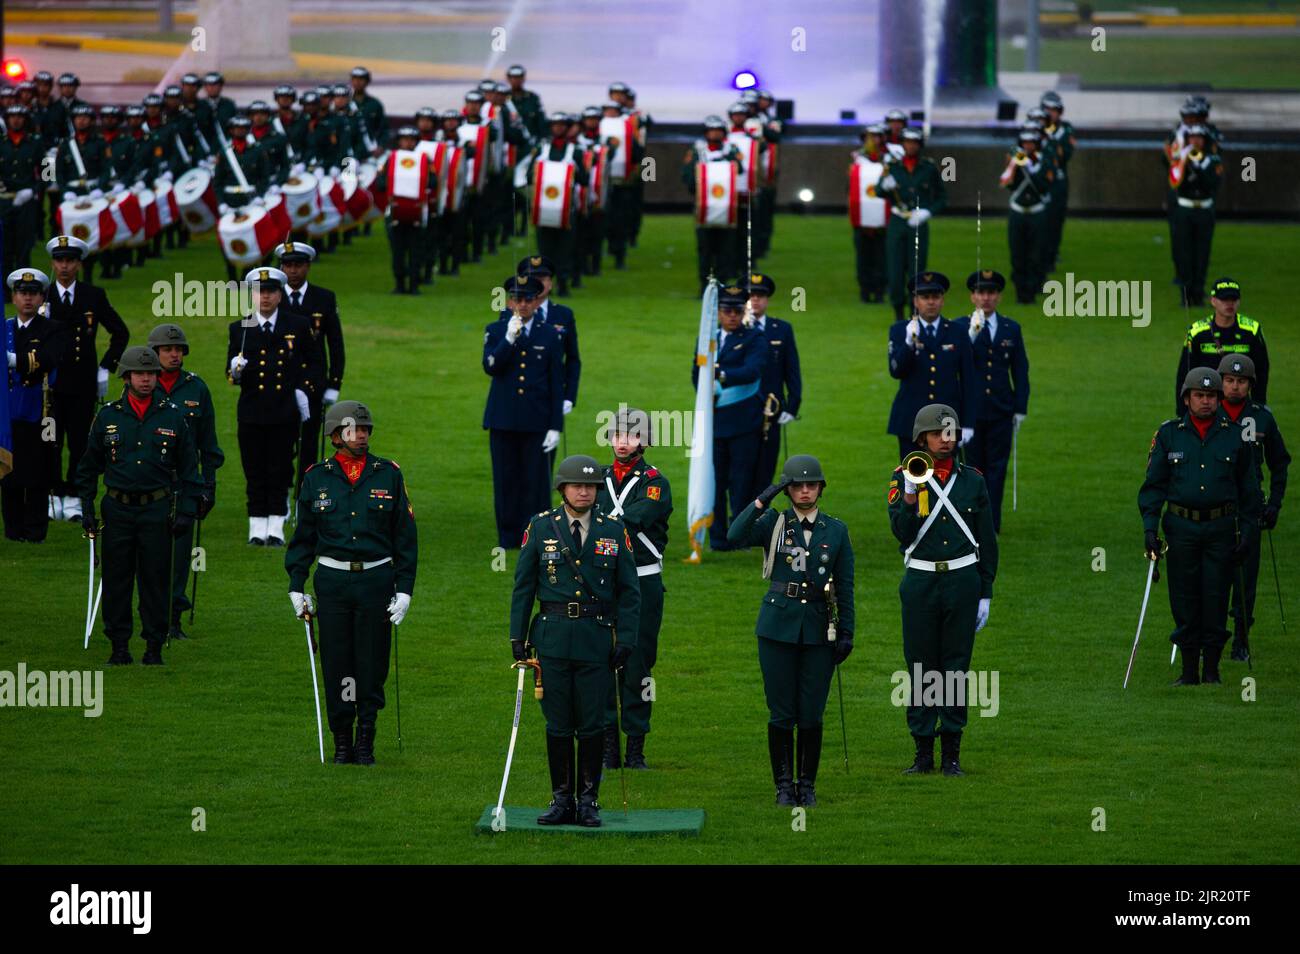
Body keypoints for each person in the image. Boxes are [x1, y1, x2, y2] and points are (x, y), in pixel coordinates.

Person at [509, 454, 641, 827]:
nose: (584, 492)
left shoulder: (614, 531)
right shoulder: (540, 527)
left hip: (595, 640)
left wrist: (626, 639)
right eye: (577, 486)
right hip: (551, 639)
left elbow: (630, 592)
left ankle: (588, 802)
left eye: (590, 486)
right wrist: (518, 637)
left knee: (593, 724)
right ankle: (561, 799)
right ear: (562, 489)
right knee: (558, 724)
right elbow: (524, 588)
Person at [286, 400, 417, 765]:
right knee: (338, 662)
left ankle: (366, 737)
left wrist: (404, 590)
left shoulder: (388, 474)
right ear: (334, 436)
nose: (361, 436)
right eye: (353, 430)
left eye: (365, 429)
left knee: (372, 663)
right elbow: (304, 537)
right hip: (333, 584)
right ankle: (342, 737)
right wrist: (297, 584)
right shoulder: (316, 477)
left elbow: (405, 538)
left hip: (376, 580)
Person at [726, 455, 854, 805]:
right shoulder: (774, 522)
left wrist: (847, 632)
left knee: (811, 711)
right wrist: (764, 497)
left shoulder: (836, 530)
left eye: (811, 484)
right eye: (797, 485)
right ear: (788, 489)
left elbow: (845, 586)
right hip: (777, 627)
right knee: (781, 710)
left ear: (821, 489)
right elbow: (733, 535)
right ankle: (783, 785)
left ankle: (807, 786)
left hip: (818, 629)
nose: (805, 490)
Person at [77, 346, 203, 665]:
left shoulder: (173, 415)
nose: (146, 379)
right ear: (127, 377)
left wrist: (187, 511)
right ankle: (119, 645)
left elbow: (190, 468)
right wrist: (87, 509)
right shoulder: (107, 416)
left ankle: (154, 645)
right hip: (117, 508)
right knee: (117, 578)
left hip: (156, 509)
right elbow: (88, 467)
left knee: (155, 579)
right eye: (140, 374)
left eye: (150, 374)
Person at [889, 404, 998, 775]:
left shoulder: (973, 480)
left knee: (955, 667)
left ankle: (951, 751)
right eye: (937, 434)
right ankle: (922, 753)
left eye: (950, 433)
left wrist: (986, 591)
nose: (945, 440)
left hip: (962, 581)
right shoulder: (904, 477)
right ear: (922, 438)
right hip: (920, 582)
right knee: (920, 667)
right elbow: (902, 534)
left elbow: (987, 539)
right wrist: (908, 493)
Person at [1140, 368, 1260, 686]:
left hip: (1222, 528)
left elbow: (1249, 491)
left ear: (1218, 399)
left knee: (1216, 596)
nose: (1205, 401)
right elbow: (1153, 488)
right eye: (1199, 395)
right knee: (1184, 598)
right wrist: (1150, 530)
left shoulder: (1235, 436)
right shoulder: (1169, 435)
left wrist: (1249, 532)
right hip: (1181, 528)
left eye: (1211, 396)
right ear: (1186, 398)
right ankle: (1189, 668)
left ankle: (1212, 669)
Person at [596, 407, 672, 771]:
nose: (622, 441)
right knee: (603, 660)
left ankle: (636, 746)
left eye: (631, 434)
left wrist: (600, 522)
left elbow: (636, 517)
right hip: (604, 580)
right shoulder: (597, 478)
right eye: (617, 435)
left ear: (644, 440)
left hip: (642, 579)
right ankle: (609, 744)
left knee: (639, 662)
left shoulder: (655, 481)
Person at [226, 267, 321, 547]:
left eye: (270, 292)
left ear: (280, 295)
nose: (264, 297)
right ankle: (256, 525)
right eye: (259, 292)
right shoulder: (240, 328)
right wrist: (235, 370)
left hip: (283, 410)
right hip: (252, 411)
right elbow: (231, 375)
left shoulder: (298, 325)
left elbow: (314, 362)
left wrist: (304, 390)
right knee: (254, 469)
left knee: (279, 468)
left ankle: (276, 526)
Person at [45, 235, 130, 522]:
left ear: (79, 264)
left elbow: (120, 332)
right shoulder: (41, 295)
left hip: (82, 383)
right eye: (60, 260)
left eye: (70, 261)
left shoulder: (92, 295)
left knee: (80, 443)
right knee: (51, 440)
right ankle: (53, 494)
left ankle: (74, 497)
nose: (64, 266)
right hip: (50, 385)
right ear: (53, 263)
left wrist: (106, 367)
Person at [149, 323, 223, 640]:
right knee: (149, 553)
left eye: (178, 349)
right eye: (168, 349)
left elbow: (209, 442)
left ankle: (173, 617)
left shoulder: (197, 388)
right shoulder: (141, 385)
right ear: (155, 353)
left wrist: (209, 484)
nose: (174, 354)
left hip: (185, 484)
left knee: (181, 556)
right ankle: (150, 614)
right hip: (148, 484)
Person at [482, 275, 564, 548]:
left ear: (536, 301)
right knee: (506, 481)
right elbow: (491, 366)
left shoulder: (549, 333)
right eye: (517, 299)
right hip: (503, 419)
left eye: (529, 299)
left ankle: (536, 535)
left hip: (536, 420)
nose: (523, 304)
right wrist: (508, 338)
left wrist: (555, 426)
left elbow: (555, 382)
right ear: (509, 300)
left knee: (536, 483)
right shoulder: (496, 330)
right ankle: (507, 536)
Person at [1217, 355, 1289, 662]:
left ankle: (1242, 637)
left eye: (1241, 381)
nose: (1235, 386)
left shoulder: (1262, 418)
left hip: (1249, 508)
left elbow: (1280, 462)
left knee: (1246, 576)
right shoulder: (1208, 414)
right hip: (1216, 505)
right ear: (1221, 382)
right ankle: (1212, 637)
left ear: (1251, 385)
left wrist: (1274, 503)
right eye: (1230, 381)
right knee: (1215, 574)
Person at [692, 284, 768, 550]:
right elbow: (697, 375)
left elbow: (753, 370)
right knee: (715, 480)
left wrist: (721, 375)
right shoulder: (708, 339)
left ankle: (741, 534)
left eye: (737, 310)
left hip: (743, 422)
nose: (732, 315)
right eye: (726, 310)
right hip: (714, 423)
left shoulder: (754, 338)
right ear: (719, 312)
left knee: (741, 481)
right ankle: (717, 537)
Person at [953, 270, 1029, 532]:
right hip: (971, 412)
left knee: (997, 470)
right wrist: (970, 337)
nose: (986, 298)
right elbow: (954, 365)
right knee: (972, 469)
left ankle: (992, 523)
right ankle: (971, 522)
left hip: (1000, 409)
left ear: (999, 296)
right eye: (981, 292)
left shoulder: (1011, 328)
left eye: (991, 292)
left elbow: (1020, 370)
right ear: (972, 296)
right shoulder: (960, 327)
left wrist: (1020, 407)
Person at [886, 271, 978, 461]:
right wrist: (908, 344)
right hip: (911, 420)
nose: (930, 302)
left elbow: (968, 380)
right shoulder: (899, 330)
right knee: (913, 481)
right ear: (915, 301)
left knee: (946, 482)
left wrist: (968, 423)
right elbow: (896, 371)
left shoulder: (958, 332)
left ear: (942, 300)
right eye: (925, 297)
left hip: (947, 421)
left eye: (935, 297)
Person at [3, 269, 66, 542]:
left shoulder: (51, 328)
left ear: (42, 297)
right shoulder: (5, 327)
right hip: (8, 408)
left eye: (33, 294)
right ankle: (13, 529)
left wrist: (15, 360)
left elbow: (49, 358)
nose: (27, 299)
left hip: (39, 409)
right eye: (22, 293)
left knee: (38, 471)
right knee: (9, 471)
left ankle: (36, 529)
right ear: (14, 297)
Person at [279, 241, 345, 478]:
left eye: (298, 265)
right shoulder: (272, 298)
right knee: (281, 443)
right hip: (281, 382)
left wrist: (333, 384)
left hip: (313, 383)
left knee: (309, 444)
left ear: (308, 266)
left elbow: (335, 343)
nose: (293, 271)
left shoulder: (323, 298)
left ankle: (305, 495)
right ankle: (282, 496)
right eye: (288, 265)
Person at [877, 128, 946, 320]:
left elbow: (942, 197)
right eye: (907, 142)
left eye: (914, 142)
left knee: (917, 269)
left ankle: (915, 311)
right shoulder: (893, 166)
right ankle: (898, 310)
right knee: (895, 269)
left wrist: (927, 212)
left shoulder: (928, 167)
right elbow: (879, 191)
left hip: (918, 223)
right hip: (898, 221)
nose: (910, 146)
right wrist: (884, 185)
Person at [744, 272, 802, 497]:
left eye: (760, 295)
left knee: (765, 470)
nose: (755, 300)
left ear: (767, 299)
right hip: (741, 411)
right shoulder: (735, 329)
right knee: (741, 472)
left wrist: (792, 405)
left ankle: (761, 521)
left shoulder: (781, 329)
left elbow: (792, 370)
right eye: (750, 295)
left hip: (772, 411)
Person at [1175, 278, 1268, 415]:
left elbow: (1262, 370)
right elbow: (1184, 374)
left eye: (1234, 299)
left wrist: (1259, 404)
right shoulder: (1197, 332)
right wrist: (1182, 412)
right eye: (1224, 299)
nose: (1229, 304)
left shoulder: (1252, 330)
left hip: (1240, 404)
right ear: (1213, 301)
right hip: (1207, 403)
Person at [513, 255, 579, 421]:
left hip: (551, 395)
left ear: (551, 284)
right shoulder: (510, 315)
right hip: (516, 397)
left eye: (543, 279)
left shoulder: (564, 315)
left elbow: (572, 359)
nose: (538, 283)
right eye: (532, 279)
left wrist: (569, 396)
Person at [681, 116, 742, 295]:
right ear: (706, 133)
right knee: (705, 250)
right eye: (711, 130)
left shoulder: (731, 150)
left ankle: (722, 285)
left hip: (727, 209)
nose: (715, 134)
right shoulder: (697, 151)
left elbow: (740, 169)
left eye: (718, 130)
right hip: (704, 210)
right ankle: (705, 287)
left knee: (726, 250)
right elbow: (687, 177)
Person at [999, 126, 1054, 304]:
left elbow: (1045, 186)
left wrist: (1031, 169)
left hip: (1037, 212)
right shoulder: (1015, 161)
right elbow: (1007, 184)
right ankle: (1020, 291)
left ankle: (1031, 291)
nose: (1028, 146)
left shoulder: (1044, 161)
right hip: (1018, 212)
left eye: (1031, 142)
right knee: (1017, 253)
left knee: (1035, 254)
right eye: (1025, 143)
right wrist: (1015, 166)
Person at [1168, 124, 1220, 307]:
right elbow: (1175, 181)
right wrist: (1186, 166)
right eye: (1192, 137)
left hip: (1204, 210)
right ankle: (1186, 293)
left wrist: (1198, 170)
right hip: (1186, 210)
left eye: (1199, 137)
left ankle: (1198, 292)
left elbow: (1213, 183)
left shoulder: (1211, 159)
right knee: (1184, 253)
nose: (1195, 141)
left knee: (1202, 254)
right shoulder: (1182, 158)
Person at [1, 105, 46, 282]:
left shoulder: (37, 142)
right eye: (12, 116)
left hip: (26, 200)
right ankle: (4, 287)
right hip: (3, 201)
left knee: (23, 246)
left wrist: (33, 190)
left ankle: (23, 286)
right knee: (4, 246)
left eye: (20, 116)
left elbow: (48, 173)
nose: (16, 120)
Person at [849, 124, 890, 303]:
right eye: (870, 137)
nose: (874, 140)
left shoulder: (890, 159)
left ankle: (880, 290)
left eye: (877, 136)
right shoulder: (857, 160)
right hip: (862, 217)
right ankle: (865, 290)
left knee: (882, 256)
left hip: (883, 218)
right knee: (863, 256)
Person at [1039, 91, 1075, 272]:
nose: (1051, 113)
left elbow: (1065, 155)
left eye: (1054, 110)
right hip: (1040, 180)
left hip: (1058, 181)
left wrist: (1049, 136)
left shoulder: (1066, 130)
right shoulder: (1035, 129)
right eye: (1047, 110)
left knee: (1056, 219)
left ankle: (1052, 254)